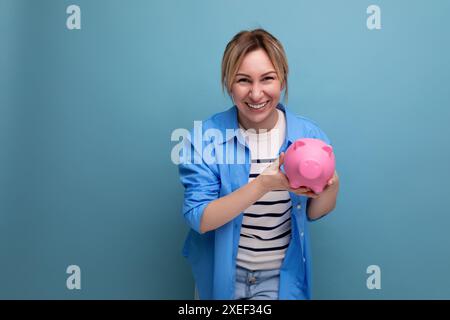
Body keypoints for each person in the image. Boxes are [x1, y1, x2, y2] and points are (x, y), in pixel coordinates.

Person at [178, 29, 339, 300]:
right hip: (222, 275)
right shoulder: (206, 137)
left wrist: (332, 183)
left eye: (267, 79)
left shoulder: (308, 136)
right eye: (243, 80)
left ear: (283, 80)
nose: (256, 93)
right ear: (229, 83)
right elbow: (200, 218)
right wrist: (264, 184)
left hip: (281, 278)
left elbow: (314, 212)